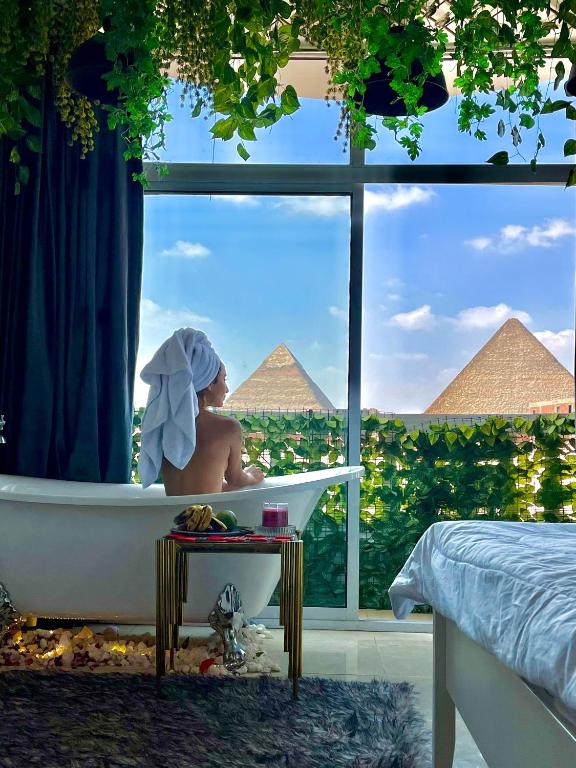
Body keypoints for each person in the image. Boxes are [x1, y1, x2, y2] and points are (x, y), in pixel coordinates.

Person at [138, 328, 265, 495]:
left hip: (172, 519)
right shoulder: (228, 427)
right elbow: (235, 479)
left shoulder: (163, 424)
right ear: (209, 383)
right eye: (224, 379)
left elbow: (194, 490)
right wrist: (251, 475)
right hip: (206, 520)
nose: (227, 389)